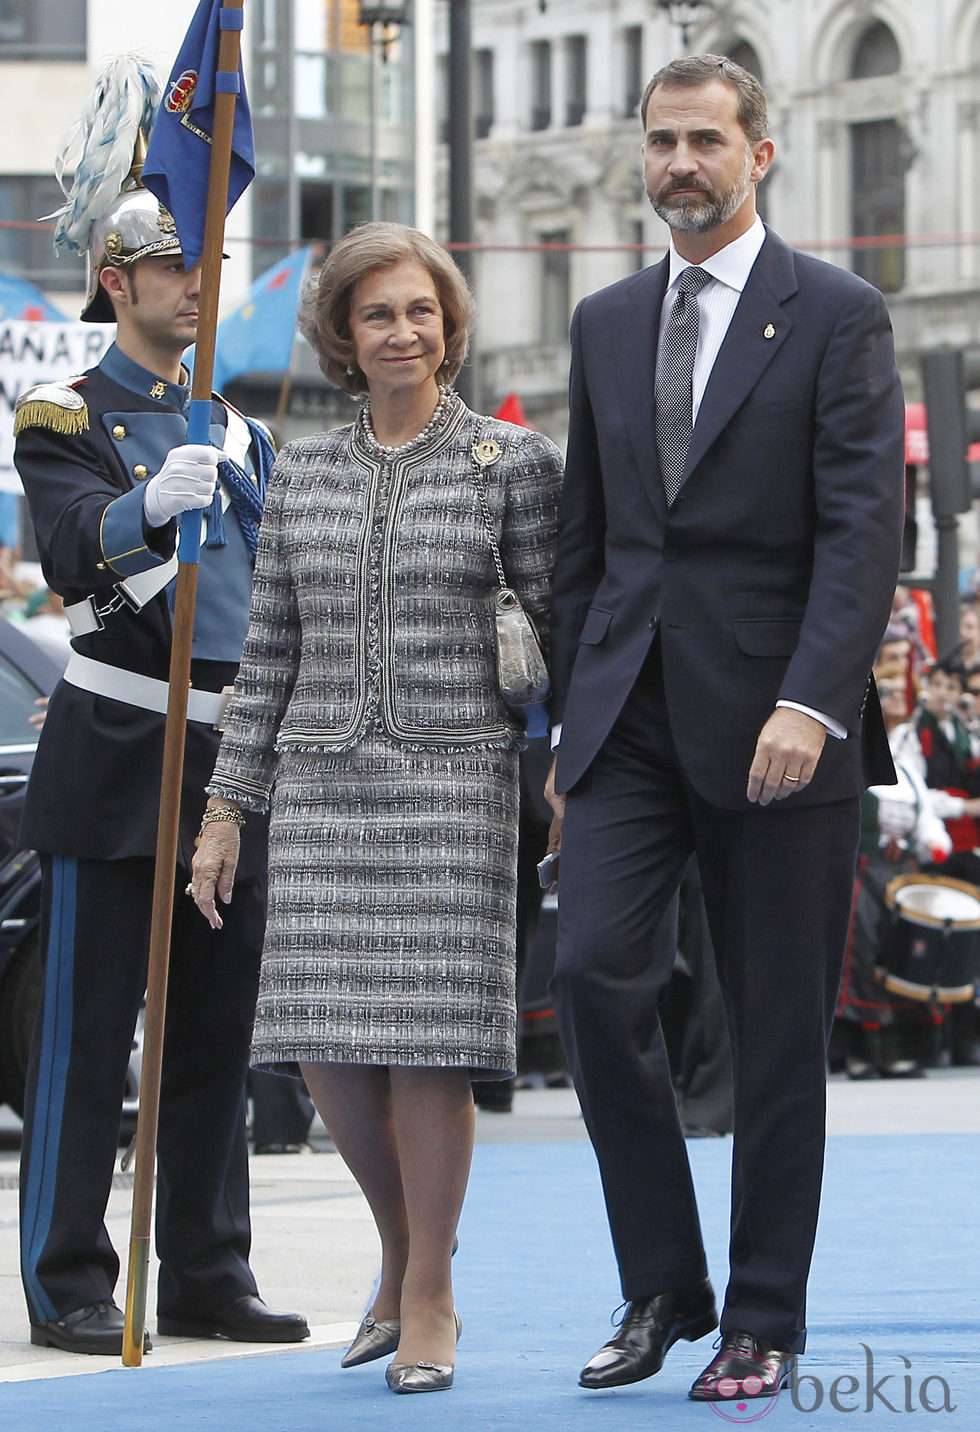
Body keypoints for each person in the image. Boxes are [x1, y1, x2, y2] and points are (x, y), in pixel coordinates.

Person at [545, 54, 905, 1405]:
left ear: (762, 152)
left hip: (779, 724)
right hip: (629, 715)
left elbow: (866, 532)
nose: (679, 164)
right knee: (589, 980)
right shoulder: (605, 320)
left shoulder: (839, 316)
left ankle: (763, 1317)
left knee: (772, 1035)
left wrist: (814, 701)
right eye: (662, 142)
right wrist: (574, 736)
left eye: (705, 139)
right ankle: (663, 1286)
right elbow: (589, 546)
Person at [190, 221, 562, 1394]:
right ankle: (401, 1252)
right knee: (322, 1044)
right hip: (320, 784)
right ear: (342, 337)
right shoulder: (299, 469)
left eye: (420, 311)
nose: (402, 332)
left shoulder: (513, 465)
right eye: (376, 314)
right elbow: (270, 650)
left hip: (454, 784)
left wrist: (566, 771)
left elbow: (564, 636)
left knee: (425, 1048)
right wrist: (225, 808)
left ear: (450, 325)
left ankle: (430, 1292)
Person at [13, 57, 307, 1356]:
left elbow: (277, 606)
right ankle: (70, 1271)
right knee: (87, 1039)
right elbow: (74, 555)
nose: (199, 285)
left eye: (208, 265)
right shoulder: (62, 412)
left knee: (214, 1032)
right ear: (119, 282)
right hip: (125, 742)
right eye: (175, 267)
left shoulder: (240, 430)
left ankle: (204, 1264)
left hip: (231, 764)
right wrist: (147, 506)